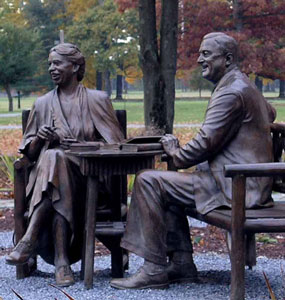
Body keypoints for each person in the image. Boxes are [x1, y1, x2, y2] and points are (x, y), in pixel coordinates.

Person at [110, 32, 276, 290]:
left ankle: (154, 270)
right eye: (200, 53)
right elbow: (270, 111)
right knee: (165, 186)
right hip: (239, 181)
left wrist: (175, 152)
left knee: (148, 181)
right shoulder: (242, 84)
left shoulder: (232, 92)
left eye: (206, 54)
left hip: (237, 188)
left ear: (228, 59)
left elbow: (203, 145)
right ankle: (182, 264)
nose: (199, 59)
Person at [6, 43, 124, 286]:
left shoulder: (97, 100)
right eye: (50, 63)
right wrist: (40, 138)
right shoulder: (42, 104)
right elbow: (28, 154)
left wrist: (76, 146)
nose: (52, 68)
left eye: (57, 63)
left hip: (89, 182)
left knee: (56, 159)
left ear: (75, 66)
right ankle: (61, 261)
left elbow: (116, 147)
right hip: (49, 183)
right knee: (53, 159)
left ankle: (30, 241)